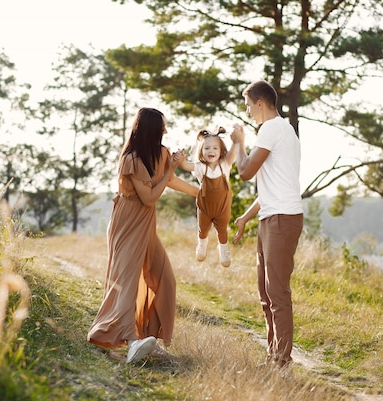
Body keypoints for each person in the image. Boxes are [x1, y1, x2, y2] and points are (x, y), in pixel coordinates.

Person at [87, 107, 198, 364]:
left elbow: (169, 182)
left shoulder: (161, 154)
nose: (166, 131)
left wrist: (201, 193)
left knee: (164, 277)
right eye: (162, 127)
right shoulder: (132, 159)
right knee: (126, 283)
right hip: (127, 223)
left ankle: (150, 338)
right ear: (150, 129)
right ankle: (131, 340)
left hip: (146, 224)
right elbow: (148, 198)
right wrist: (170, 170)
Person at [231, 80, 303, 369]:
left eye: (248, 105)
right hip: (271, 217)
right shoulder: (285, 130)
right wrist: (245, 218)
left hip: (281, 220)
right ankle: (274, 353)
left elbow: (246, 171)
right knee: (266, 291)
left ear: (260, 103)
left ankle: (282, 360)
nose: (248, 112)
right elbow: (272, 188)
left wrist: (239, 143)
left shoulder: (271, 128)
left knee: (277, 293)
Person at [179, 126, 238, 267]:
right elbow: (186, 166)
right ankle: (202, 244)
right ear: (201, 151)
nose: (211, 151)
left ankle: (223, 250)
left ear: (221, 151)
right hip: (205, 207)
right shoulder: (200, 167)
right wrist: (180, 160)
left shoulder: (225, 164)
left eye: (215, 148)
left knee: (222, 229)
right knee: (203, 228)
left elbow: (233, 154)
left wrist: (236, 142)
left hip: (222, 207)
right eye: (207, 148)